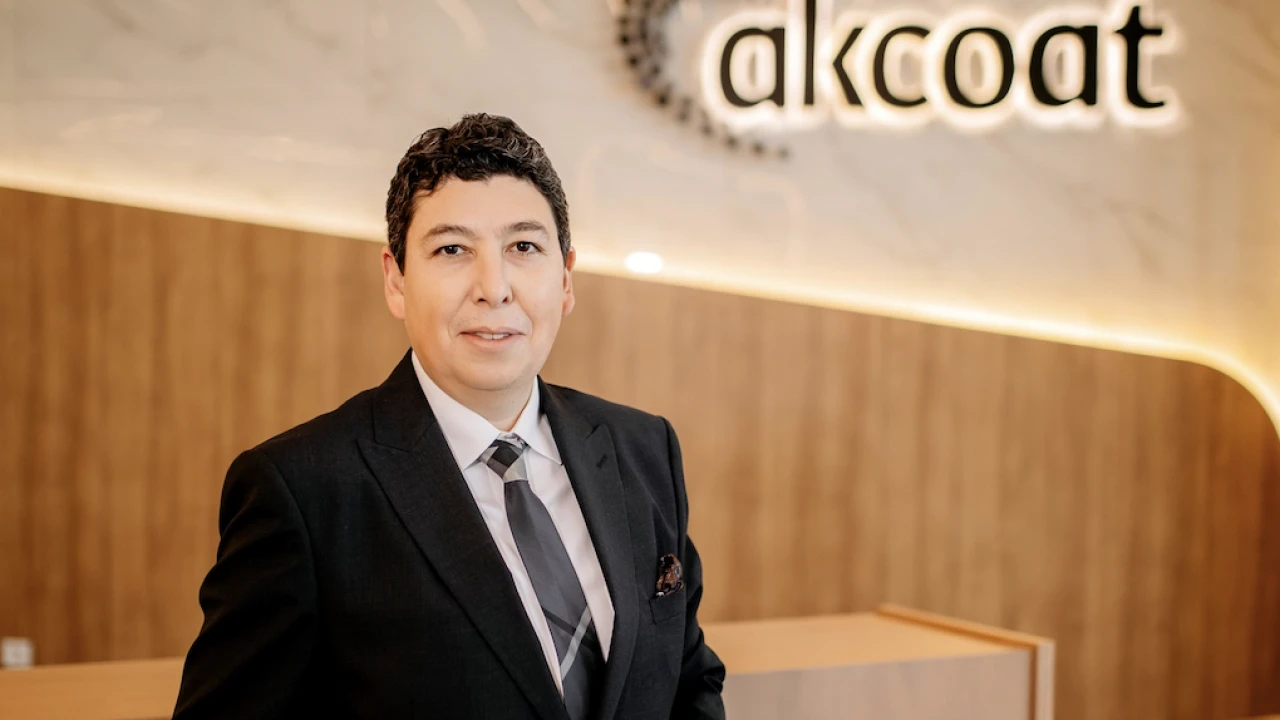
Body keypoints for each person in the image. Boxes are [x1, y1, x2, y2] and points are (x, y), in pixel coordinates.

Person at [172, 113, 726, 719]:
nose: (494, 288)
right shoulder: (303, 490)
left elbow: (689, 681)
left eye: (523, 247)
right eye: (452, 249)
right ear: (396, 280)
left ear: (565, 279)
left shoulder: (642, 448)